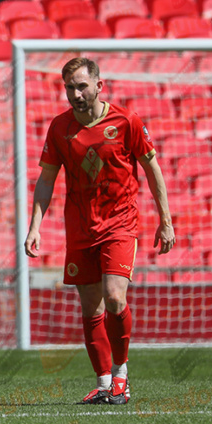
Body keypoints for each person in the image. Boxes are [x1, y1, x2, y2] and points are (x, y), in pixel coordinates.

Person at [24, 57, 174, 405]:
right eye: (69, 88)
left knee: (114, 297)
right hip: (80, 228)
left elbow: (152, 169)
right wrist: (35, 226)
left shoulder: (126, 121)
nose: (76, 94)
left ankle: (122, 377)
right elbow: (46, 179)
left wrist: (165, 220)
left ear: (98, 86)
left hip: (120, 223)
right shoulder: (60, 128)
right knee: (90, 308)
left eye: (81, 86)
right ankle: (104, 383)